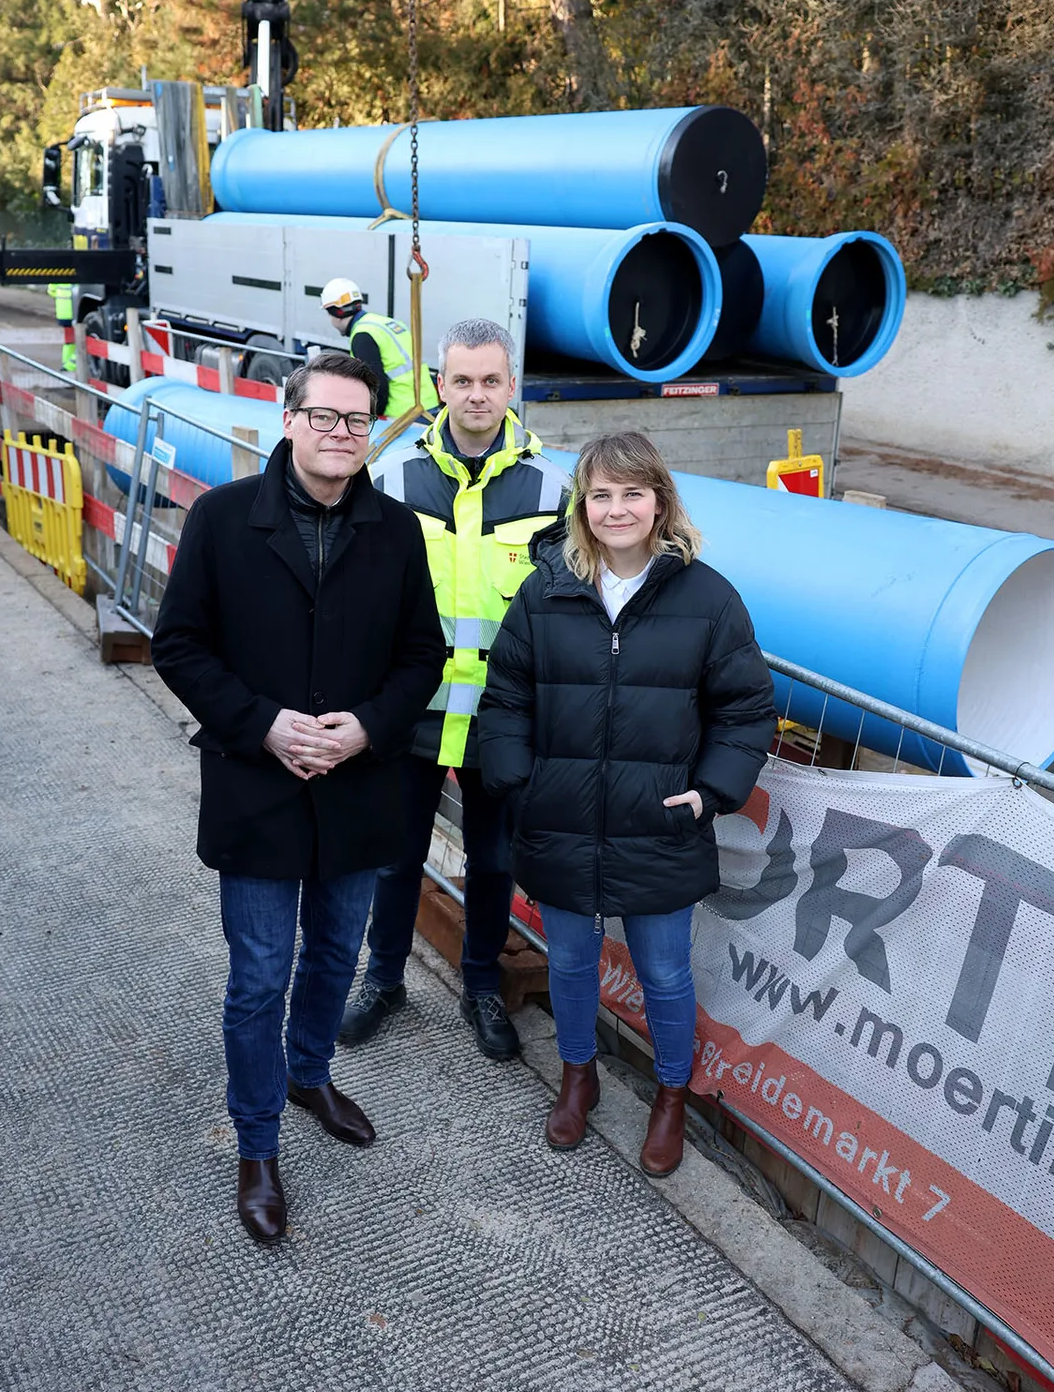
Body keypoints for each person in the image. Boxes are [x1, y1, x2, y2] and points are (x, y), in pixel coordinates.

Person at [150, 349, 445, 1245]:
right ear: (289, 419)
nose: (341, 435)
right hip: (258, 789)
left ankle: (310, 1073)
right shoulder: (224, 518)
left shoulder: (395, 532)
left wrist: (367, 727)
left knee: (332, 957)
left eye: (357, 422)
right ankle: (258, 1145)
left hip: (358, 787)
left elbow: (421, 657)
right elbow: (180, 646)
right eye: (325, 417)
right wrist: (264, 725)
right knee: (259, 977)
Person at [478, 430, 777, 1175]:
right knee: (572, 964)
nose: (616, 509)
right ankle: (579, 1077)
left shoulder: (709, 599)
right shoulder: (544, 590)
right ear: (583, 504)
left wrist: (710, 794)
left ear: (660, 501)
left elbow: (746, 710)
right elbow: (507, 693)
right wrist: (519, 778)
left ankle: (671, 1095)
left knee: (665, 973)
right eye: (601, 494)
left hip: (660, 821)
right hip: (563, 816)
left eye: (632, 493)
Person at [341, 319, 569, 1061]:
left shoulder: (552, 489)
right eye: (462, 380)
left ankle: (479, 986)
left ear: (512, 387)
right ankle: (384, 981)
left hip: (502, 719)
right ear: (440, 386)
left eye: (490, 381)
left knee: (494, 861)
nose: (476, 395)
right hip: (410, 714)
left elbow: (563, 612)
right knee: (394, 854)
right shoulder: (393, 479)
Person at [318, 275, 433, 422]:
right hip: (428, 406)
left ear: (336, 312)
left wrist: (371, 418)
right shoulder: (387, 323)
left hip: (403, 415)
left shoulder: (362, 335)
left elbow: (377, 386)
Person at [47, 281, 77, 375]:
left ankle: (66, 365)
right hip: (75, 313)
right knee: (80, 340)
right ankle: (72, 365)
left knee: (69, 342)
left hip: (63, 314)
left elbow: (51, 291)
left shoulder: (59, 276)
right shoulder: (78, 276)